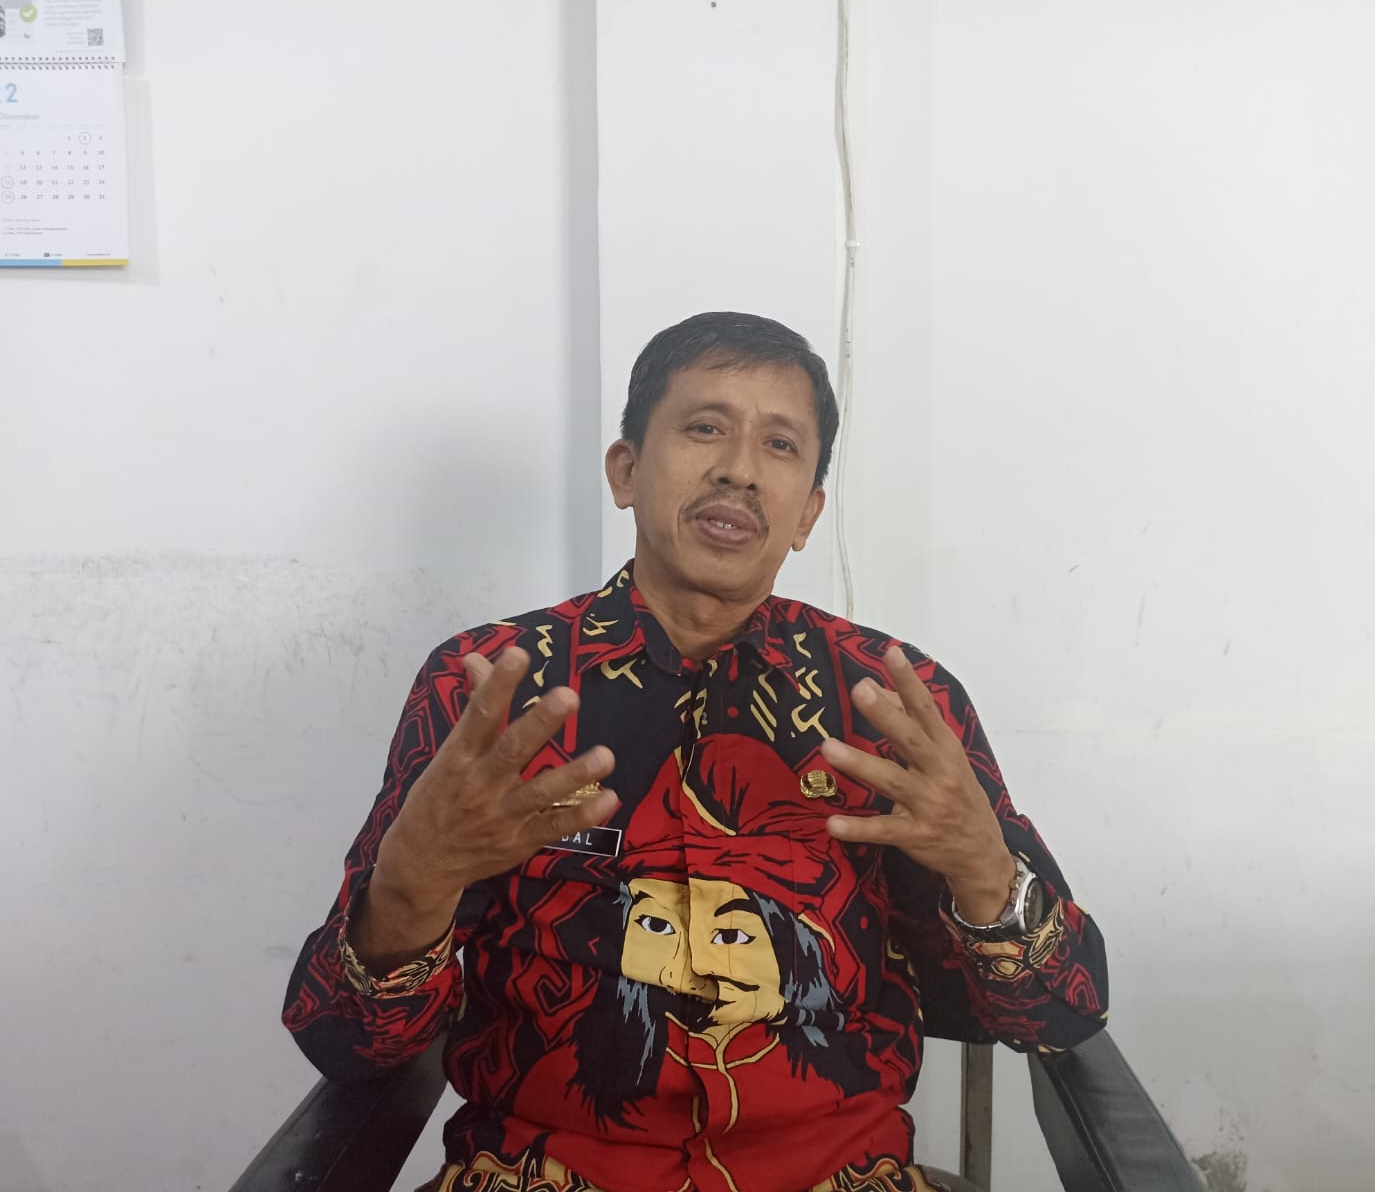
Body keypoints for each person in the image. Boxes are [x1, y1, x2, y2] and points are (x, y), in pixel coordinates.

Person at [283, 311, 1109, 1192]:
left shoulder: (897, 702)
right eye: (706, 427)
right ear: (626, 470)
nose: (739, 469)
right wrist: (413, 887)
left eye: (780, 445)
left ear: (808, 513)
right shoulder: (489, 687)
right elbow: (345, 1040)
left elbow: (1063, 1012)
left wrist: (984, 869)